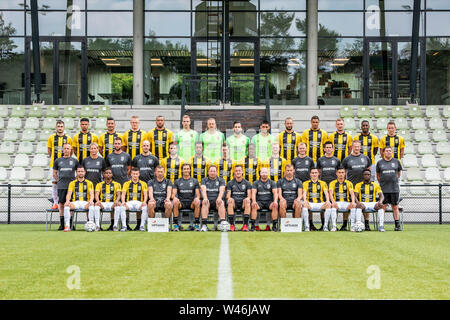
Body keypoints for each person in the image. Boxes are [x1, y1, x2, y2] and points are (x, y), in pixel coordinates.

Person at [376, 145, 403, 231]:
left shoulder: (396, 162)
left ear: (392, 152)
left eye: (390, 151)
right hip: (384, 189)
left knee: (395, 206)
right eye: (386, 151)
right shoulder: (380, 163)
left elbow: (398, 174)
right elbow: (378, 175)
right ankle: (381, 225)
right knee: (383, 206)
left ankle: (397, 225)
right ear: (383, 152)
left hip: (394, 188)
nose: (388, 152)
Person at [47, 120, 73, 209]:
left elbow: (71, 151)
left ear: (64, 127)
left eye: (61, 126)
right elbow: (49, 150)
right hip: (55, 165)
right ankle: (55, 203)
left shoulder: (68, 138)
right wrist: (56, 161)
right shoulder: (51, 138)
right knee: (55, 183)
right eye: (58, 126)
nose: (60, 128)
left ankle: (67, 201)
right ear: (56, 127)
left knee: (65, 183)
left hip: (65, 166)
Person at [53, 143, 79, 230]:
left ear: (71, 150)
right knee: (61, 204)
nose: (67, 150)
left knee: (70, 204)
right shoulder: (57, 160)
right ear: (62, 150)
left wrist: (74, 181)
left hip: (71, 187)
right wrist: (58, 181)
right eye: (65, 148)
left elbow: (78, 173)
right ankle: (62, 224)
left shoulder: (74, 161)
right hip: (61, 186)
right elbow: (54, 173)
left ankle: (70, 224)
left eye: (68, 148)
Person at [63, 166, 95, 232]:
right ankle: (67, 226)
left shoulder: (89, 183)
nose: (80, 173)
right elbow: (69, 194)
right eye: (79, 171)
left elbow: (91, 194)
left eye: (82, 171)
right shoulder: (72, 183)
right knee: (66, 206)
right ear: (76, 172)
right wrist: (67, 201)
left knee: (91, 206)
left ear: (85, 172)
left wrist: (91, 201)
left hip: (85, 202)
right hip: (76, 203)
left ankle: (91, 224)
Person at [172, 164, 201, 231]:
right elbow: (173, 194)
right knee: (175, 201)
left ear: (190, 170)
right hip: (181, 203)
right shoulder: (177, 181)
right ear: (182, 170)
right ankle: (176, 225)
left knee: (197, 201)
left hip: (191, 203)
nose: (186, 170)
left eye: (188, 169)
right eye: (184, 169)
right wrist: (174, 198)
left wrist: (197, 198)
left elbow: (198, 194)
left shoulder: (195, 181)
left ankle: (196, 225)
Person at [94, 167, 124, 232]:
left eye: (109, 173)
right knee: (96, 207)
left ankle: (115, 226)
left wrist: (116, 201)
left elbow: (119, 195)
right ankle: (97, 226)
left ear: (112, 174)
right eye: (106, 173)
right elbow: (96, 194)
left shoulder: (117, 184)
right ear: (103, 174)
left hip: (112, 202)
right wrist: (98, 202)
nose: (108, 174)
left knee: (118, 207)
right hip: (103, 203)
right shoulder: (99, 184)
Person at [250, 167, 279, 231]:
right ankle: (253, 226)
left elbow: (275, 193)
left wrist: (275, 201)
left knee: (275, 206)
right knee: (254, 206)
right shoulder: (255, 183)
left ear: (268, 173)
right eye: (263, 172)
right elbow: (253, 193)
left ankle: (274, 226)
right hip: (259, 202)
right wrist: (254, 201)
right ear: (260, 173)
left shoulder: (272, 182)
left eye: (266, 172)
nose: (264, 174)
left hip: (269, 202)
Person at [329, 167, 356, 232]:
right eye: (339, 173)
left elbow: (352, 193)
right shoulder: (332, 183)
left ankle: (352, 227)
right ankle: (334, 226)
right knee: (333, 208)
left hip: (346, 202)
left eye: (342, 173)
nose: (341, 174)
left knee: (353, 207)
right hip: (337, 202)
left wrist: (353, 202)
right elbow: (330, 193)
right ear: (336, 173)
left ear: (345, 173)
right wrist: (333, 202)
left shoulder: (349, 183)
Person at [226, 165, 252, 231]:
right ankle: (232, 225)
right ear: (234, 172)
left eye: (239, 171)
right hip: (234, 203)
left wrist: (247, 198)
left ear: (242, 172)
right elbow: (228, 196)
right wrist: (230, 198)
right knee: (230, 201)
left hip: (243, 203)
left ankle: (245, 225)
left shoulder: (247, 183)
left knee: (247, 201)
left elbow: (249, 196)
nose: (238, 172)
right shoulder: (230, 183)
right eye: (236, 171)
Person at [200, 165, 226, 232]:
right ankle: (204, 225)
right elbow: (203, 189)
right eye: (211, 171)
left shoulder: (221, 180)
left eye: (214, 171)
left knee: (221, 202)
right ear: (208, 172)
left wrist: (219, 198)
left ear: (217, 172)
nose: (212, 173)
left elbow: (222, 190)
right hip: (208, 200)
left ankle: (222, 224)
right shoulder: (204, 180)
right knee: (204, 202)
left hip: (217, 201)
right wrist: (205, 198)